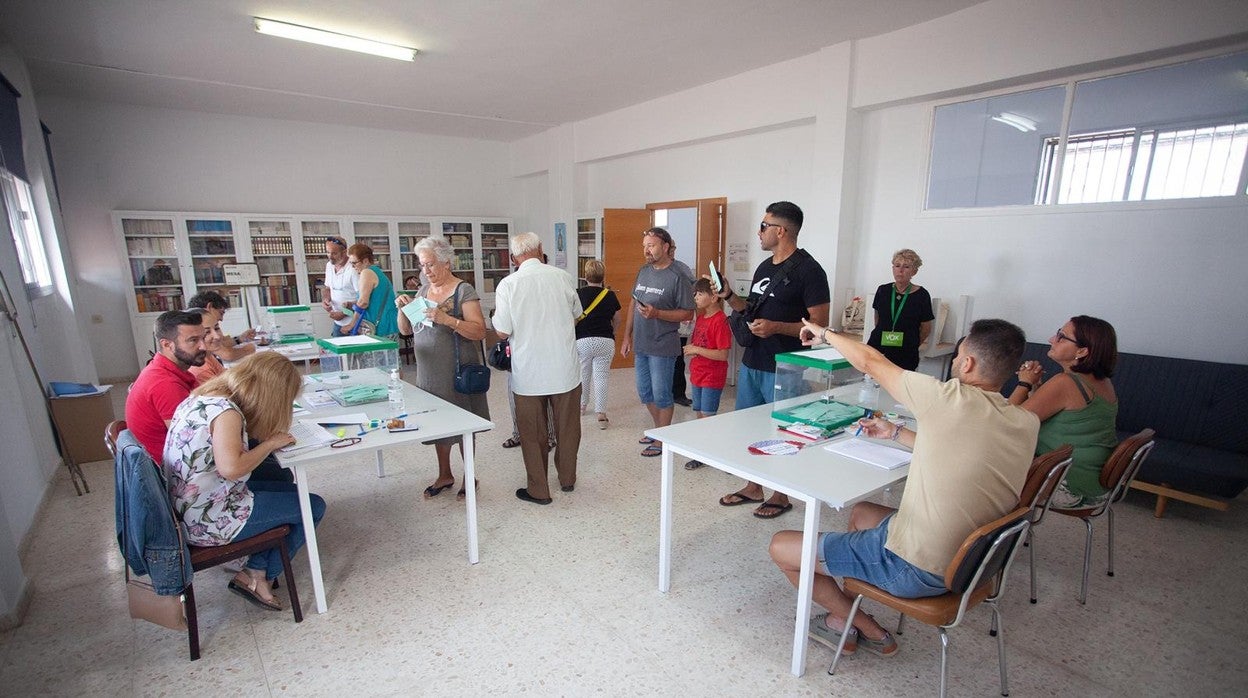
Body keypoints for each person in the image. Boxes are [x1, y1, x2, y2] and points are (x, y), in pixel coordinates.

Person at [769, 318, 1038, 656]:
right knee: (863, 511)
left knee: (781, 547)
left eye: (958, 355)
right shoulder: (1025, 420)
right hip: (974, 563)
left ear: (968, 363)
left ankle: (869, 629)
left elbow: (871, 362)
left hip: (918, 566)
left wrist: (824, 333)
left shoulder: (947, 399)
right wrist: (895, 433)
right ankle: (843, 619)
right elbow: (963, 447)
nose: (954, 361)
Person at [164, 352, 327, 612]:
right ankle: (258, 573)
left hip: (191, 507)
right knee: (314, 506)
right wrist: (272, 443)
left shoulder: (204, 397)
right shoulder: (228, 413)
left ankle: (256, 569)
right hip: (210, 519)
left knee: (289, 491)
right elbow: (232, 468)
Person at [716, 202, 829, 517]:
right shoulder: (764, 267)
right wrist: (728, 295)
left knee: (782, 432)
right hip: (752, 360)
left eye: (764, 226)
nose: (759, 232)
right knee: (749, 428)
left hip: (785, 366)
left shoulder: (810, 271)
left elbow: (819, 327)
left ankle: (782, 493)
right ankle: (754, 486)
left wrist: (778, 327)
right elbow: (750, 309)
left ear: (781, 230)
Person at [395, 236, 491, 499]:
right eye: (422, 266)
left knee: (463, 422)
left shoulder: (463, 290)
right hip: (429, 372)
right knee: (437, 423)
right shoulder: (423, 292)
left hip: (457, 370)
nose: (425, 272)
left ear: (446, 262)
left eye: (430, 265)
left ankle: (469, 475)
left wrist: (447, 319)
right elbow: (405, 331)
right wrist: (402, 310)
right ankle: (444, 473)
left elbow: (479, 330)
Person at [492, 232, 583, 505]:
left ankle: (539, 490)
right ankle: (567, 480)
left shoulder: (508, 285)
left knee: (532, 433)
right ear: (541, 250)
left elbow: (501, 330)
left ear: (512, 257)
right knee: (568, 428)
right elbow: (577, 315)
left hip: (529, 373)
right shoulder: (562, 277)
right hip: (564, 368)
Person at [1009, 316, 1120, 509]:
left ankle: (1004, 535)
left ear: (1082, 351)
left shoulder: (1066, 382)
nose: (1052, 338)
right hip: (1094, 482)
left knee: (982, 470)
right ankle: (1018, 534)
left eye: (1062, 336)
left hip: (1069, 485)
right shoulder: (1102, 382)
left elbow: (1009, 423)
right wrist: (1036, 389)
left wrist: (1024, 383)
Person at [620, 227, 696, 457]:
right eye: (644, 246)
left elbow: (687, 314)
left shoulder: (678, 276)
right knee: (645, 393)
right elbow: (634, 303)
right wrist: (626, 336)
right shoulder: (643, 271)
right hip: (642, 343)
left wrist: (658, 314)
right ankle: (660, 432)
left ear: (665, 247)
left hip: (663, 344)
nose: (647, 250)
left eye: (651, 246)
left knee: (662, 394)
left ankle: (662, 439)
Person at [125, 309, 206, 463]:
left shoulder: (165, 369)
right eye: (193, 340)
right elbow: (194, 440)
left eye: (203, 338)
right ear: (167, 344)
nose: (203, 346)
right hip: (175, 472)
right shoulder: (166, 384)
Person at [682, 278, 731, 470]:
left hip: (712, 376)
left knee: (708, 415)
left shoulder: (720, 321)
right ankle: (700, 450)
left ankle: (708, 451)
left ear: (713, 297)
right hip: (698, 374)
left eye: (700, 294)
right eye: (695, 294)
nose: (696, 297)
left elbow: (722, 354)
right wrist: (693, 349)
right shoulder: (701, 318)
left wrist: (697, 349)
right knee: (699, 413)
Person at [866, 249, 934, 371]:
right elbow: (878, 318)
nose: (900, 270)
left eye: (906, 267)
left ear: (914, 271)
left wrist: (912, 343)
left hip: (906, 351)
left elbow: (926, 328)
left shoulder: (922, 295)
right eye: (897, 266)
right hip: (878, 347)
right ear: (893, 268)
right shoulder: (883, 290)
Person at [575, 259, 621, 430]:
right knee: (601, 377)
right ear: (603, 276)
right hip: (605, 340)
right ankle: (601, 414)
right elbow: (617, 318)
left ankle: (581, 406)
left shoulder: (577, 294)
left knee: (583, 374)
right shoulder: (610, 295)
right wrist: (613, 332)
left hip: (582, 341)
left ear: (585, 276)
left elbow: (572, 317)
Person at [345, 242, 399, 338]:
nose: (352, 267)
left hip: (380, 327)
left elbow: (363, 302)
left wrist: (352, 324)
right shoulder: (376, 271)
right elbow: (374, 299)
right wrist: (352, 304)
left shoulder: (367, 272)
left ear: (365, 261)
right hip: (387, 324)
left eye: (354, 263)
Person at [188, 290, 256, 361]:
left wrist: (240, 339)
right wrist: (248, 349)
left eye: (217, 328)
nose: (221, 319)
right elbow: (227, 355)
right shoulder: (197, 322)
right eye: (221, 313)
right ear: (209, 306)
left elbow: (221, 343)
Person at [321, 235, 360, 337]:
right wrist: (326, 299)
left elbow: (363, 299)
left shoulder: (353, 268)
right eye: (328, 252)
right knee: (337, 352)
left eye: (334, 253)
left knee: (355, 352)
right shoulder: (329, 266)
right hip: (337, 322)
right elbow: (328, 288)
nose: (330, 256)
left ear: (344, 252)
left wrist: (344, 313)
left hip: (355, 322)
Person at [188, 305, 228, 383]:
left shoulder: (207, 355)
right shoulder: (201, 369)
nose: (217, 336)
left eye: (216, 328)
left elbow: (226, 378)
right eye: (207, 332)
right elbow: (226, 392)